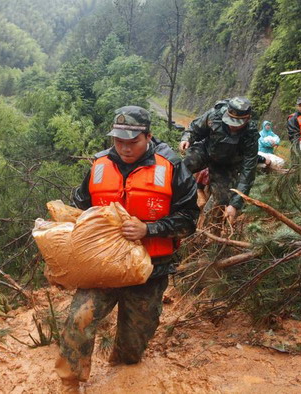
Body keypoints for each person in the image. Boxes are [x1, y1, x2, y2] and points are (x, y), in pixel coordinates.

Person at [55, 106, 199, 392]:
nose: (124, 148)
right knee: (79, 317)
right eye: (118, 141)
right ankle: (69, 382)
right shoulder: (98, 165)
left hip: (150, 268)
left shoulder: (171, 168)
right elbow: (79, 207)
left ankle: (121, 370)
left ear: (148, 136)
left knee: (133, 348)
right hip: (102, 265)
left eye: (132, 142)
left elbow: (189, 221)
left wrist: (149, 229)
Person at [179, 96, 259, 220]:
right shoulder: (214, 116)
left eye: (237, 124)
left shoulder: (250, 135)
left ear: (247, 119)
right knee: (182, 168)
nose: (232, 126)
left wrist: (235, 203)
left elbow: (248, 172)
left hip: (227, 165)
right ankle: (176, 203)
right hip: (206, 151)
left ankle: (207, 228)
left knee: (222, 200)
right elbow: (194, 129)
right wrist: (186, 139)